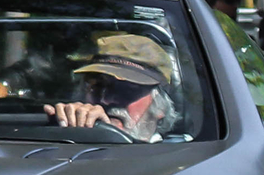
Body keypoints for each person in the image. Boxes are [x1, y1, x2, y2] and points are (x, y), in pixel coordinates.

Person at [44, 33, 178, 141]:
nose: (105, 99)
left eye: (126, 89)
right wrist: (63, 131)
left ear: (161, 105)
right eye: (97, 85)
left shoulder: (180, 159)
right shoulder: (69, 138)